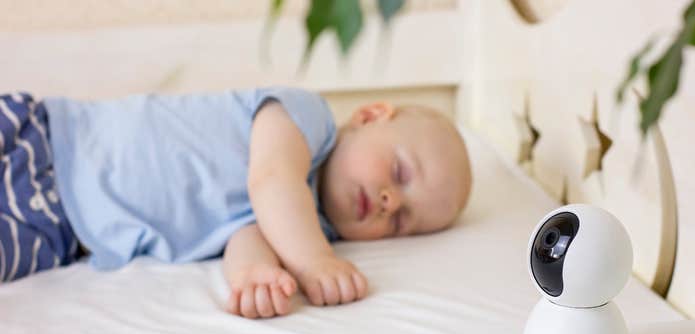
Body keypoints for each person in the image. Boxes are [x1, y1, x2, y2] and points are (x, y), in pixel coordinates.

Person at [0, 88, 472, 318]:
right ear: (370, 116)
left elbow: (247, 234)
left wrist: (255, 276)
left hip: (59, 230)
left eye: (403, 221)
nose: (391, 202)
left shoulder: (309, 228)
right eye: (400, 173)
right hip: (43, 144)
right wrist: (314, 262)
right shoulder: (305, 117)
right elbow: (270, 181)